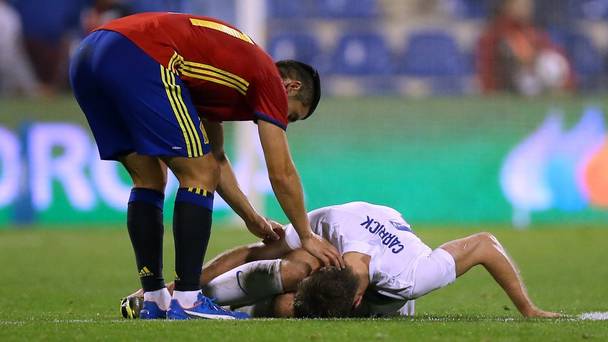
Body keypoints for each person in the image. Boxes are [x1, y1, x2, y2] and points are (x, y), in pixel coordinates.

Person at [70, 12, 342, 320]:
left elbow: (216, 158)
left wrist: (252, 218)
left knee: (149, 178)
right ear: (291, 87)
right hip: (142, 55)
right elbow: (280, 171)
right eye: (291, 116)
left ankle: (155, 299)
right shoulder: (269, 79)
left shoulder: (224, 76)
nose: (283, 122)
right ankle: (188, 299)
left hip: (89, 55)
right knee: (198, 173)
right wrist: (306, 235)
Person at [122, 202, 560, 319]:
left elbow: (484, 242)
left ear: (355, 303)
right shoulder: (328, 225)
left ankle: (242, 308)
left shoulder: (412, 279)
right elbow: (255, 251)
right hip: (363, 227)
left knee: (282, 307)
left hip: (389, 296)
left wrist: (528, 309)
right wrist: (177, 286)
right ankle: (186, 303)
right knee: (290, 267)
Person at [476, 0, 574, 96]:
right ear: (507, 6)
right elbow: (490, 70)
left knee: (550, 62)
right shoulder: (496, 32)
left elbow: (554, 56)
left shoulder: (531, 30)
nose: (526, 8)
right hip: (508, 86)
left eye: (528, 4)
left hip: (535, 79)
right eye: (520, 4)